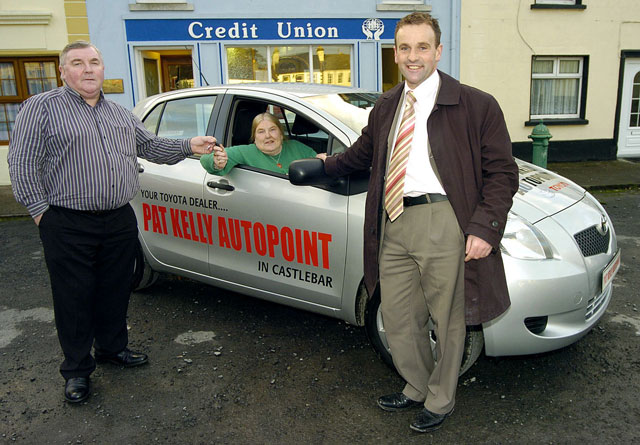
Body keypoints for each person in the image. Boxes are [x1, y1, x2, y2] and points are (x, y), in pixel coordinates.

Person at [317, 12, 518, 433]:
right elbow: (361, 154)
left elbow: (502, 173)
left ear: (438, 51)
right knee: (397, 314)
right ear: (395, 53)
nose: (414, 56)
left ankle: (441, 398)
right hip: (393, 220)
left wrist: (484, 227)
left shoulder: (476, 104)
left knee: (447, 319)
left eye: (422, 47)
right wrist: (324, 165)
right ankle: (416, 384)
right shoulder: (388, 105)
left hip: (443, 219)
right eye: (405, 48)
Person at [7, 41, 216, 404]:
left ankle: (111, 349)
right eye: (77, 63)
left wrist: (189, 145)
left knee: (115, 290)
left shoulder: (120, 114)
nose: (88, 69)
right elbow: (22, 163)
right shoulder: (40, 109)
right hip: (67, 222)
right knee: (73, 298)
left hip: (119, 218)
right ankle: (76, 370)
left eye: (94, 62)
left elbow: (150, 147)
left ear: (103, 68)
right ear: (63, 71)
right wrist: (42, 213)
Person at [200, 112, 317, 175]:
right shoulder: (245, 152)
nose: (268, 136)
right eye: (261, 131)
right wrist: (216, 162)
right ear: (254, 137)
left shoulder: (296, 147)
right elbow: (206, 159)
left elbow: (318, 161)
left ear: (281, 133)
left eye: (272, 129)